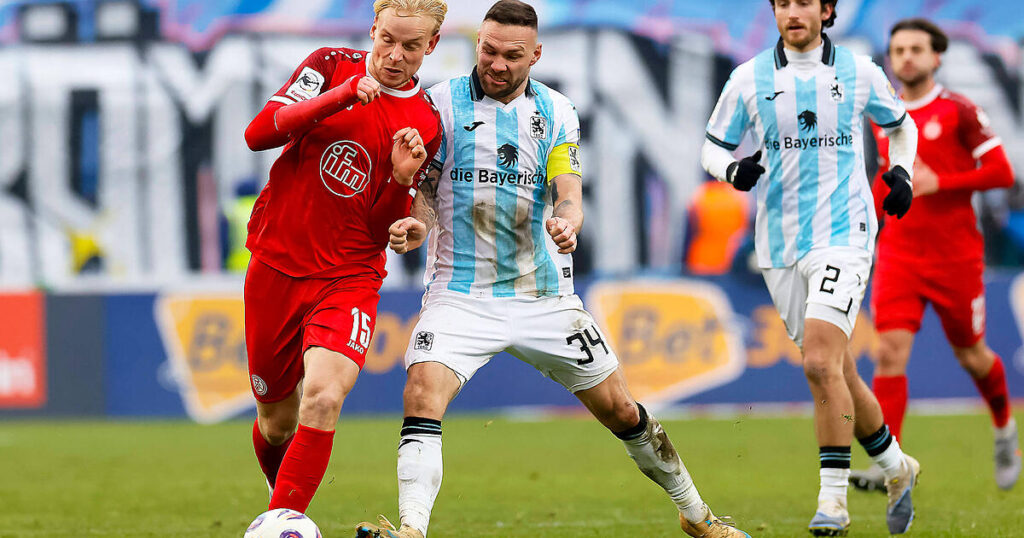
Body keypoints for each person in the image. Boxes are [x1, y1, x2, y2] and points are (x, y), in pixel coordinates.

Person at [356, 2, 750, 537]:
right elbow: (425, 193)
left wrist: (568, 221)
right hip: (460, 296)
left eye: (512, 55)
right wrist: (418, 227)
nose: (497, 64)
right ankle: (412, 530)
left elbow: (567, 190)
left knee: (622, 410)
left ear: (535, 55)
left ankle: (698, 516)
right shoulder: (438, 103)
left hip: (544, 298)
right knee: (421, 392)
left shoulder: (557, 110)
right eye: (489, 50)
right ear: (477, 45)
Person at [701, 0, 922, 535]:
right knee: (836, 369)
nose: (792, 12)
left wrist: (902, 172)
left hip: (845, 233)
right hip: (779, 243)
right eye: (783, 3)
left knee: (821, 363)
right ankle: (897, 467)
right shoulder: (749, 78)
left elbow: (901, 126)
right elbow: (712, 147)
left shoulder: (859, 71)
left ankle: (833, 503)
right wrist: (731, 170)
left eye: (804, 2)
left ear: (826, 10)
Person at [240, 0, 445, 516]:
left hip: (349, 277)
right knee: (276, 424)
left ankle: (284, 524)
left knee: (325, 396)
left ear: (432, 45)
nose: (395, 55)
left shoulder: (424, 121)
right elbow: (258, 134)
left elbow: (379, 231)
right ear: (373, 28)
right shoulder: (329, 66)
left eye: (411, 46)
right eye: (387, 40)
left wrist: (399, 182)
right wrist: (341, 96)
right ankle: (283, 508)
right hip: (276, 264)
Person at [848, 18, 1020, 494]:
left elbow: (1002, 172)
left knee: (972, 355)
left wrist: (941, 182)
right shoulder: (882, 114)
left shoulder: (959, 110)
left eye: (916, 49)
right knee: (888, 352)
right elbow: (884, 175)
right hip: (899, 253)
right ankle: (892, 464)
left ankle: (1004, 428)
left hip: (955, 257)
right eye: (898, 50)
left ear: (936, 57)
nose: (906, 57)